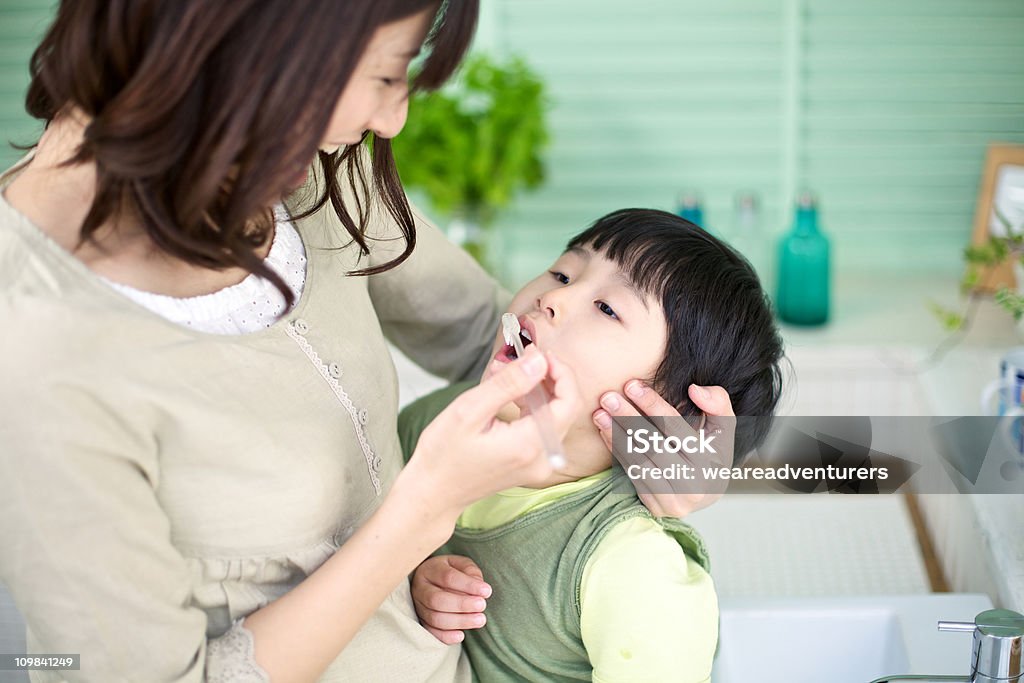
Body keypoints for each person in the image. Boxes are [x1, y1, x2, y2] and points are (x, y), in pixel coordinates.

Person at [0, 2, 734, 682]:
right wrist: (418, 525)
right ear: (252, 49)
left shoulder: (294, 158)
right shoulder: (38, 358)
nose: (395, 118)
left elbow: (499, 336)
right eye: (386, 74)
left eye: (604, 304)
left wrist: (726, 451)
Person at [400, 209, 785, 682]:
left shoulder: (635, 567)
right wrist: (413, 579)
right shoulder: (430, 423)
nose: (554, 297)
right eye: (563, 272)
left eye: (607, 308)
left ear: (661, 418)